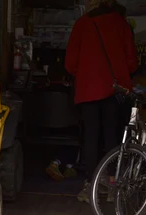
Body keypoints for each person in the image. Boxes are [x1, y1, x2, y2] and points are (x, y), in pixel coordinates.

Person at [65, 0, 138, 203]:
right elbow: (132, 62)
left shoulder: (82, 24)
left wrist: (87, 74)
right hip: (115, 92)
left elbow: (70, 63)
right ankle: (113, 185)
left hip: (88, 90)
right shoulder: (121, 24)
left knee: (90, 138)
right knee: (113, 137)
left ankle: (92, 185)